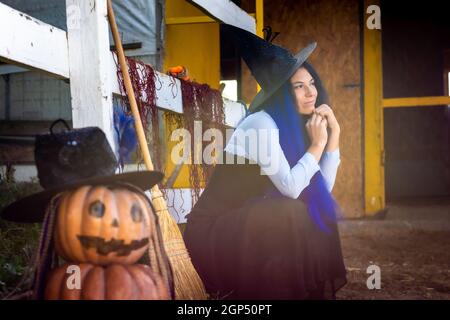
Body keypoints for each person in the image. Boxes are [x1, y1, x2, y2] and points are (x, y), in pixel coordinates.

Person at [183, 24, 347, 300]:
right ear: (283, 93)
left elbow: (320, 191)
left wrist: (334, 139)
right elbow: (292, 189)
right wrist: (318, 144)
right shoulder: (260, 123)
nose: (311, 92)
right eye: (299, 86)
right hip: (212, 234)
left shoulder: (293, 126)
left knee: (318, 210)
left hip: (248, 226)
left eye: (312, 84)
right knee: (288, 213)